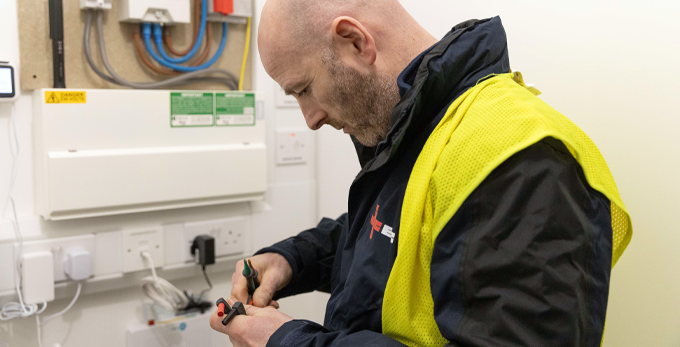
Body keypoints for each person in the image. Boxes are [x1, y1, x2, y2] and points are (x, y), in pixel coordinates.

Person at [210, 0, 632, 346]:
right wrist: (293, 260)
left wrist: (286, 341)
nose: (311, 118)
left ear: (355, 41)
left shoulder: (521, 157)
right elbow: (394, 238)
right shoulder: (423, 128)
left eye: (303, 89)